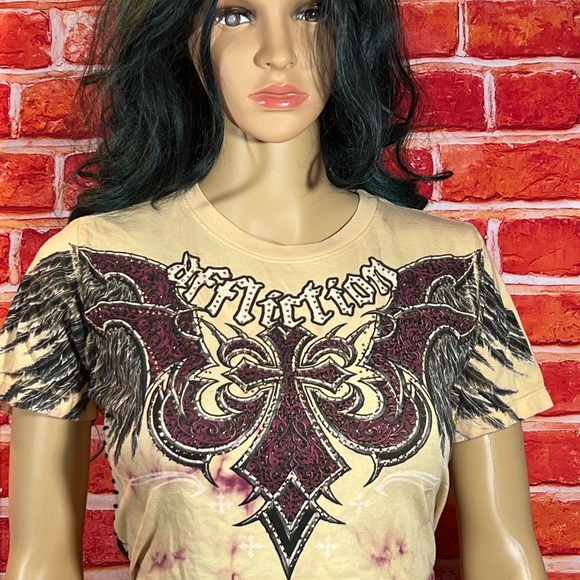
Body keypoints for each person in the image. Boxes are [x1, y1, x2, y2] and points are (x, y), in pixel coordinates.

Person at [0, 0, 553, 578]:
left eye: (310, 14)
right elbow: (40, 563)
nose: (278, 53)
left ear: (350, 33)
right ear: (184, 36)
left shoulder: (447, 270)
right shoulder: (90, 265)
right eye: (234, 16)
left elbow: (507, 551)